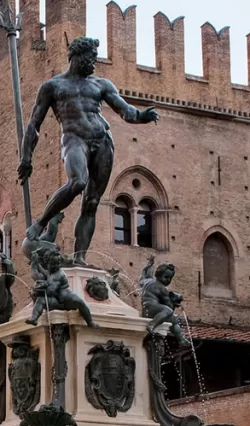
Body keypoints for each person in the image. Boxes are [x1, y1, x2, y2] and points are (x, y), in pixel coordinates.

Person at [18, 36, 159, 266]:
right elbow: (34, 124)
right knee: (78, 182)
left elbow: (125, 110)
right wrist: (26, 157)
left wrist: (142, 116)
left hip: (103, 141)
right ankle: (41, 223)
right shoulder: (53, 87)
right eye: (90, 58)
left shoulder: (101, 85)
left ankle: (80, 258)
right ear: (76, 57)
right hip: (74, 139)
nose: (93, 64)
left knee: (91, 202)